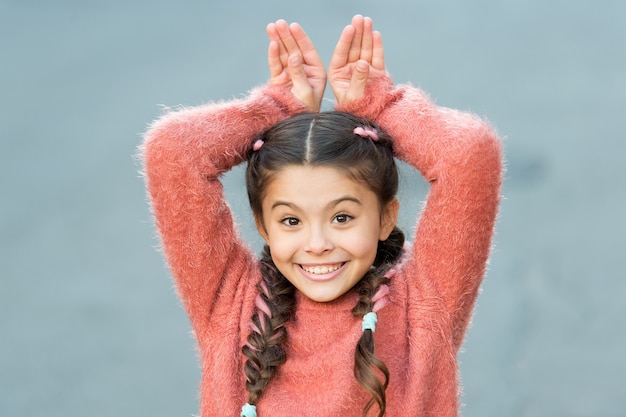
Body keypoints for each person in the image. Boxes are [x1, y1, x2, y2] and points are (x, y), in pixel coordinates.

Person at [141, 15, 502, 417]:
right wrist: (273, 109)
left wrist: (377, 107)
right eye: (291, 221)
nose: (317, 244)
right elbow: (174, 152)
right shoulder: (233, 305)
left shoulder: (423, 303)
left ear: (385, 218)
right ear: (263, 225)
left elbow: (469, 154)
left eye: (342, 217)